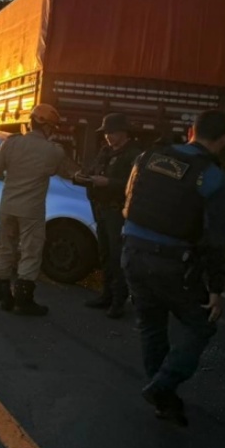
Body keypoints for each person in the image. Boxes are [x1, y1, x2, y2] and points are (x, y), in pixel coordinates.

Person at [121, 110, 225, 426]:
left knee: (151, 325)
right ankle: (162, 385)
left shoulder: (146, 157)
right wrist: (216, 289)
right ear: (223, 140)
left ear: (190, 131)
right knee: (202, 324)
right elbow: (216, 239)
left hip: (131, 252)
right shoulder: (213, 177)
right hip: (171, 263)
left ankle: (165, 402)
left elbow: (128, 198)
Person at [0, 103, 80, 316]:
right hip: (31, 211)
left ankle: (2, 292)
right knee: (30, 252)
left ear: (31, 122)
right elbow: (67, 172)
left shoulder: (11, 143)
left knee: (4, 246)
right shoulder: (52, 151)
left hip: (7, 207)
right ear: (48, 128)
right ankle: (23, 300)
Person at [77, 113, 142, 317]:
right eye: (106, 133)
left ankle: (118, 301)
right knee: (104, 253)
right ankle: (106, 295)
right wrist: (83, 176)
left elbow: (136, 184)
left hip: (118, 211)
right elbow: (93, 169)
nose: (107, 136)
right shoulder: (105, 152)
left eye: (111, 132)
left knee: (117, 256)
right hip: (101, 208)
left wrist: (109, 183)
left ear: (124, 132)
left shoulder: (134, 155)